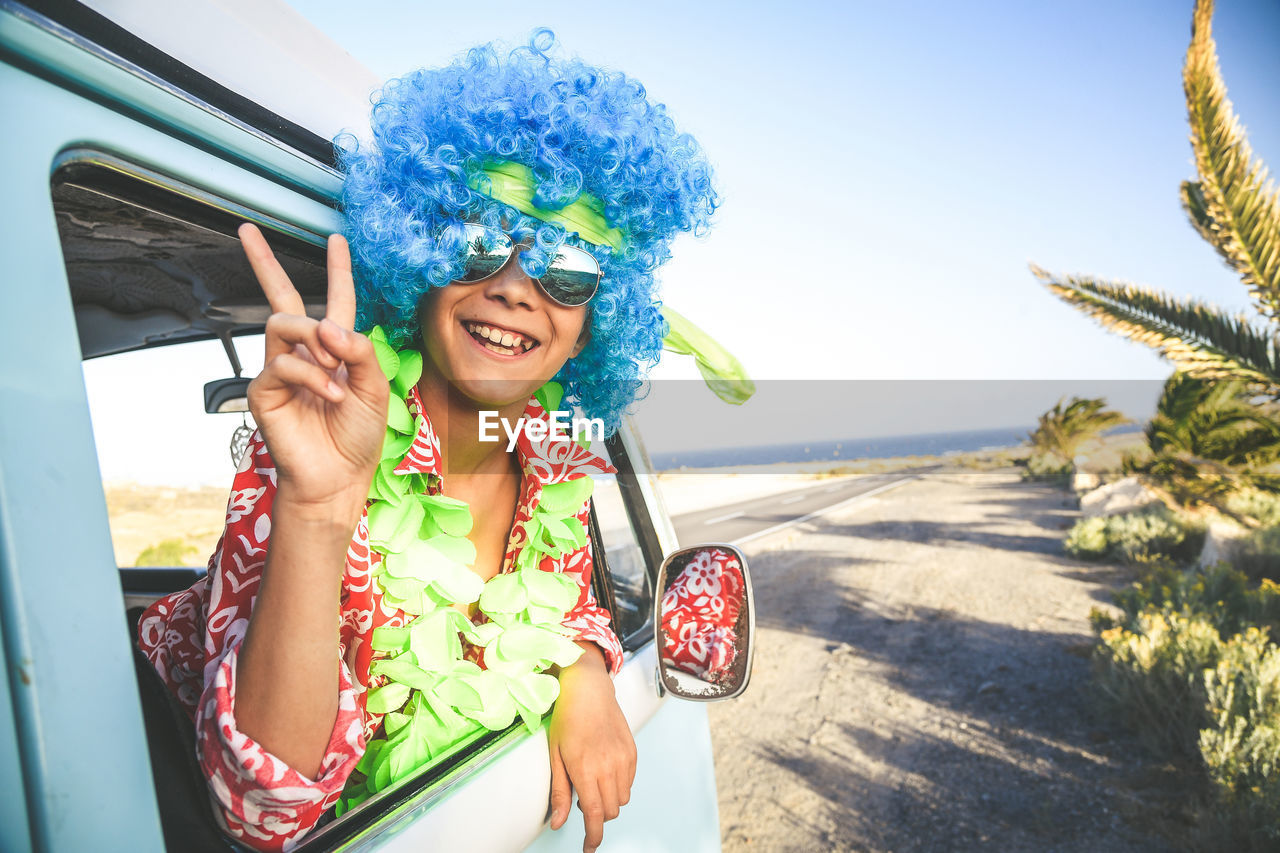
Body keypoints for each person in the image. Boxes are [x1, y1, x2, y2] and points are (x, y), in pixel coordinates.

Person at [136, 29, 717, 853]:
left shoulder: (551, 459)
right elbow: (263, 815)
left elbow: (570, 600)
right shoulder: (319, 452)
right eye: (480, 243)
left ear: (594, 321)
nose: (515, 288)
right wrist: (319, 505)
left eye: (570, 268)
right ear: (423, 259)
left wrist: (586, 671)